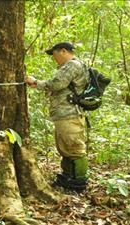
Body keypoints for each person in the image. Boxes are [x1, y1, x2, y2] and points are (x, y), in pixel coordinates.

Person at [25, 42, 89, 192]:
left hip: (70, 114)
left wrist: (36, 82)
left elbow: (57, 83)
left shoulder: (73, 65)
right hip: (64, 114)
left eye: (54, 55)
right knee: (65, 148)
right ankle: (67, 178)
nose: (54, 59)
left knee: (74, 148)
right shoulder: (71, 66)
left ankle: (79, 182)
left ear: (63, 51)